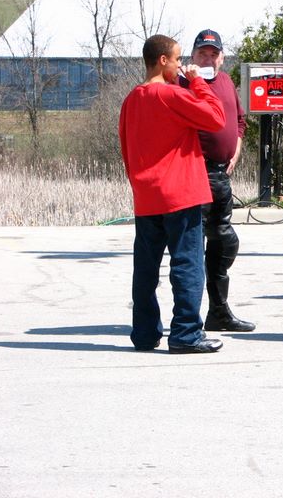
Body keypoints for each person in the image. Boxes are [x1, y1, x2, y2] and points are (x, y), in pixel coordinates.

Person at [119, 34, 226, 354]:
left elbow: (126, 147)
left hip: (147, 195)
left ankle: (144, 334)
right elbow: (216, 118)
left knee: (146, 268)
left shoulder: (131, 100)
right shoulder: (171, 94)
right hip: (180, 193)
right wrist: (197, 82)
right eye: (178, 60)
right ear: (163, 60)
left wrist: (139, 184)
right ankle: (185, 333)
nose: (181, 66)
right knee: (187, 264)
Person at [181, 29, 255, 332]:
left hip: (221, 175)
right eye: (203, 53)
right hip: (195, 174)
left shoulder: (225, 81)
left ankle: (219, 313)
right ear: (193, 55)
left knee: (224, 243)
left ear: (222, 57)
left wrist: (235, 150)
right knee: (192, 248)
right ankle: (188, 321)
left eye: (214, 54)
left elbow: (239, 121)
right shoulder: (182, 83)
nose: (208, 58)